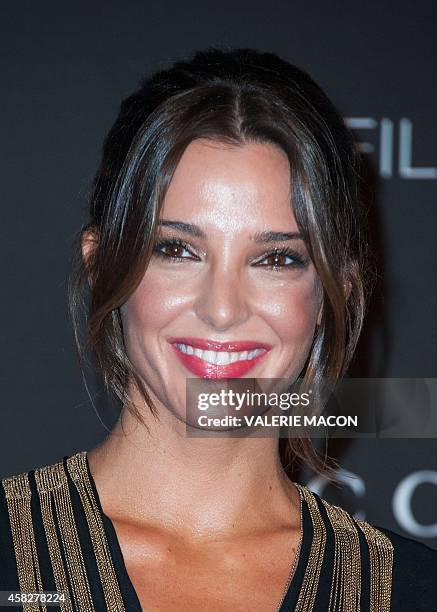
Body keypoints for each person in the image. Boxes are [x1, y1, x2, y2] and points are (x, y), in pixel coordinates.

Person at [1, 47, 436, 612]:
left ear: (334, 292)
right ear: (103, 263)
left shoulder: (413, 592)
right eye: (177, 249)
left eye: (276, 259)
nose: (223, 309)